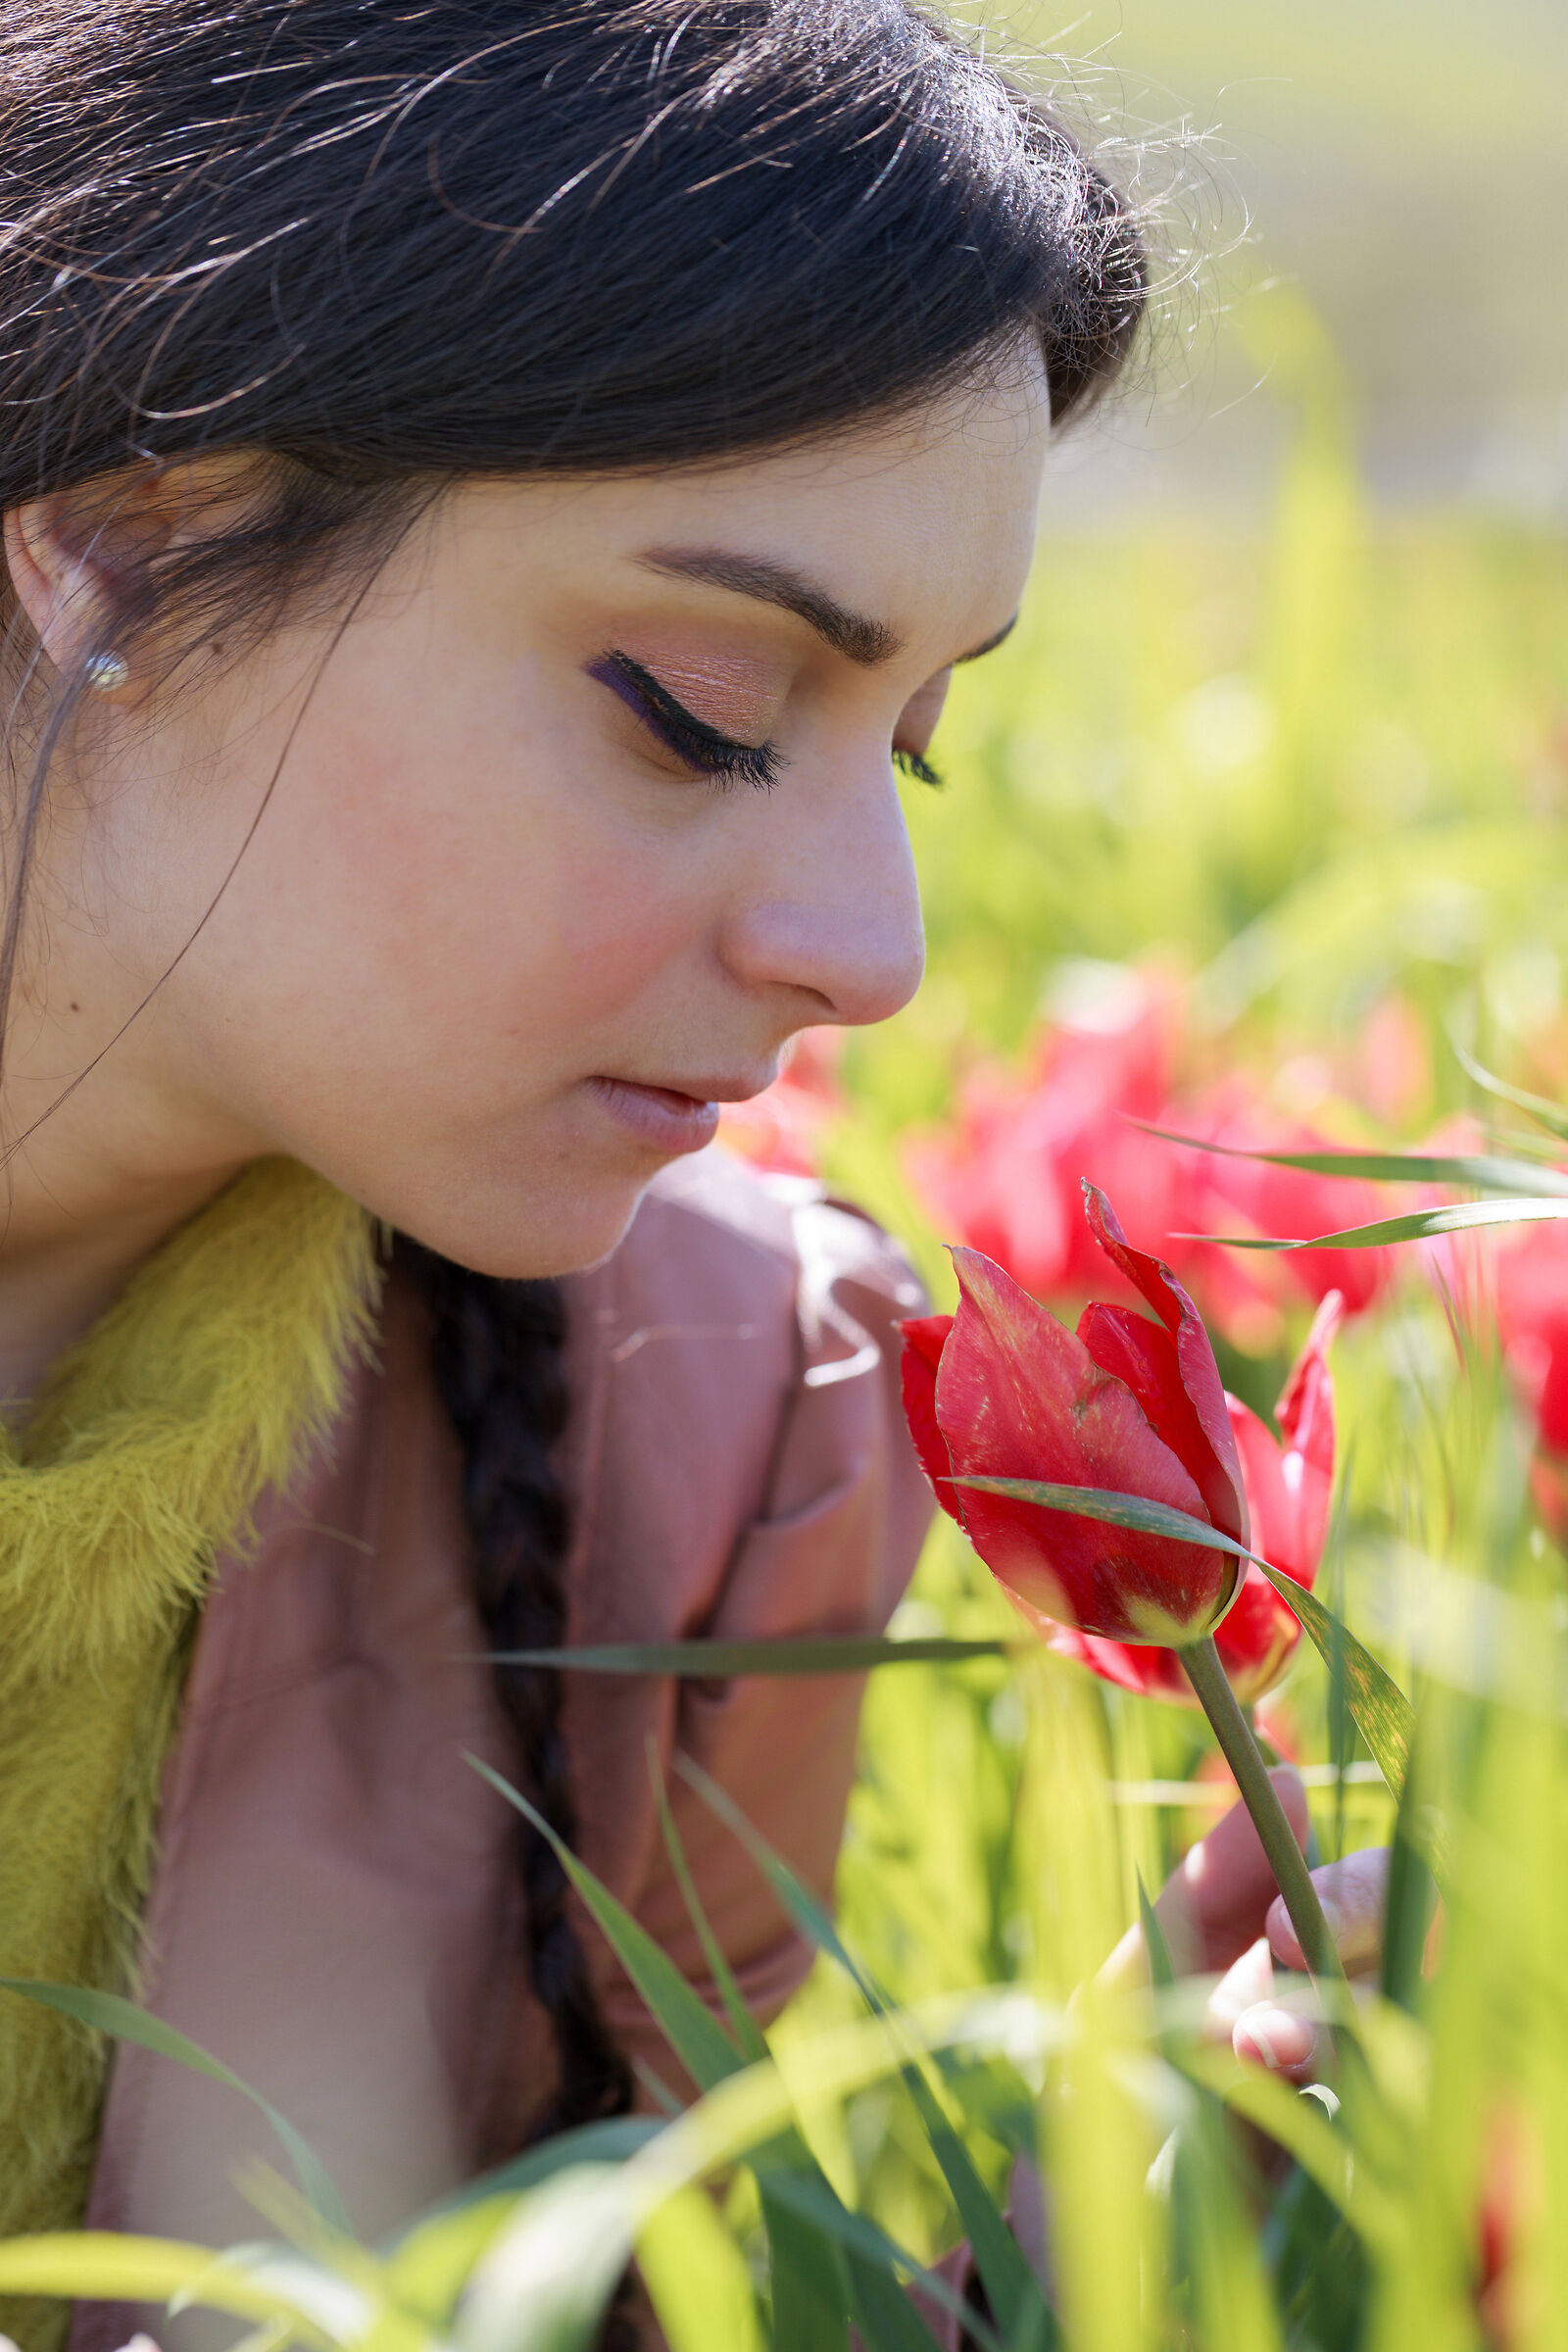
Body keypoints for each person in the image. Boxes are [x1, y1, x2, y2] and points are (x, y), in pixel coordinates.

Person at [0, 5, 1384, 2348]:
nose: (870, 952)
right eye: (702, 710)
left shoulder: (714, 1422)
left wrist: (1055, 2254)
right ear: (126, 546)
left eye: (908, 747)